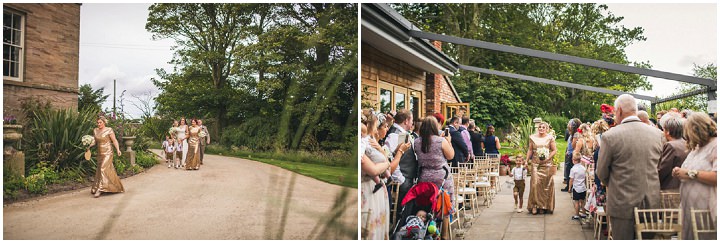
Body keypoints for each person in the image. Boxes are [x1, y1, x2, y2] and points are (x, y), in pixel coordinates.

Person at [597, 94, 662, 240]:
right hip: (650, 201)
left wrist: (615, 184)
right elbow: (660, 166)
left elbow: (601, 172)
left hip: (621, 202)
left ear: (619, 111)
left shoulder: (610, 136)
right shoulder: (658, 134)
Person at [671, 113, 717, 240]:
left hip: (706, 209)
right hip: (689, 208)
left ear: (697, 129)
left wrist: (688, 173)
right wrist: (679, 171)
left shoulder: (715, 146)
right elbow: (689, 169)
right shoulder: (697, 147)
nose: (686, 137)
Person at [414, 115, 454, 239]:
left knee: (427, 205)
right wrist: (449, 141)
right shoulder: (441, 141)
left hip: (424, 177)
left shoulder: (416, 142)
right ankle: (444, 236)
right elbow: (451, 155)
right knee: (445, 206)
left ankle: (428, 233)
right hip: (442, 177)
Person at [525, 122, 557, 214]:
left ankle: (543, 206)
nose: (541, 128)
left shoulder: (550, 138)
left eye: (543, 127)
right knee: (535, 185)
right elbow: (530, 150)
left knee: (545, 186)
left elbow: (554, 150)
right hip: (535, 164)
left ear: (547, 129)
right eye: (540, 127)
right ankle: (534, 205)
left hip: (547, 165)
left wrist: (547, 158)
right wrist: (527, 160)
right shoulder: (532, 137)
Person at [89, 116, 124, 198]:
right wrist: (88, 145)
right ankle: (114, 187)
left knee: (103, 168)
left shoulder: (109, 130)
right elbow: (94, 141)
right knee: (100, 169)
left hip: (108, 152)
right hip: (100, 153)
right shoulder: (95, 130)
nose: (98, 124)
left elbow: (114, 140)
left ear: (104, 122)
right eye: (97, 123)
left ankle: (100, 189)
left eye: (100, 122)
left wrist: (118, 150)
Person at [657, 112, 687, 190]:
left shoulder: (670, 146)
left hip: (670, 187)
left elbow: (663, 169)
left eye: (663, 130)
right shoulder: (686, 143)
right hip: (683, 185)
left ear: (668, 132)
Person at [562, 118, 581, 192]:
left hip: (571, 154)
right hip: (569, 153)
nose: (568, 125)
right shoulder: (572, 133)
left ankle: (569, 186)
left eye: (570, 124)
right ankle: (568, 185)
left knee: (569, 170)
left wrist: (569, 151)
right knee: (568, 169)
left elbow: (573, 145)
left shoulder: (575, 134)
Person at [568, 152, 588, 220]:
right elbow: (585, 178)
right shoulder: (583, 168)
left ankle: (576, 215)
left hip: (576, 188)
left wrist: (569, 187)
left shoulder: (573, 169)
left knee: (576, 202)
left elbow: (571, 179)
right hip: (583, 188)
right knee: (582, 202)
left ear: (574, 160)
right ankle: (584, 213)